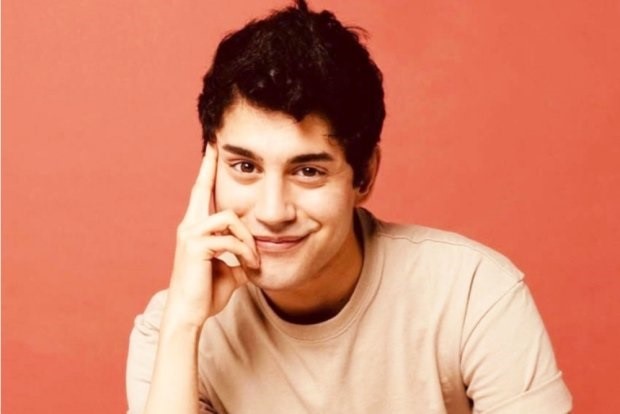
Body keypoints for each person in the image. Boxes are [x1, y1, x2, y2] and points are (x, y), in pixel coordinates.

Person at [126, 1, 572, 412]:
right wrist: (183, 325)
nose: (273, 211)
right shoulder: (173, 329)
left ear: (364, 175)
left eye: (308, 171)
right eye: (245, 167)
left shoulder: (472, 292)